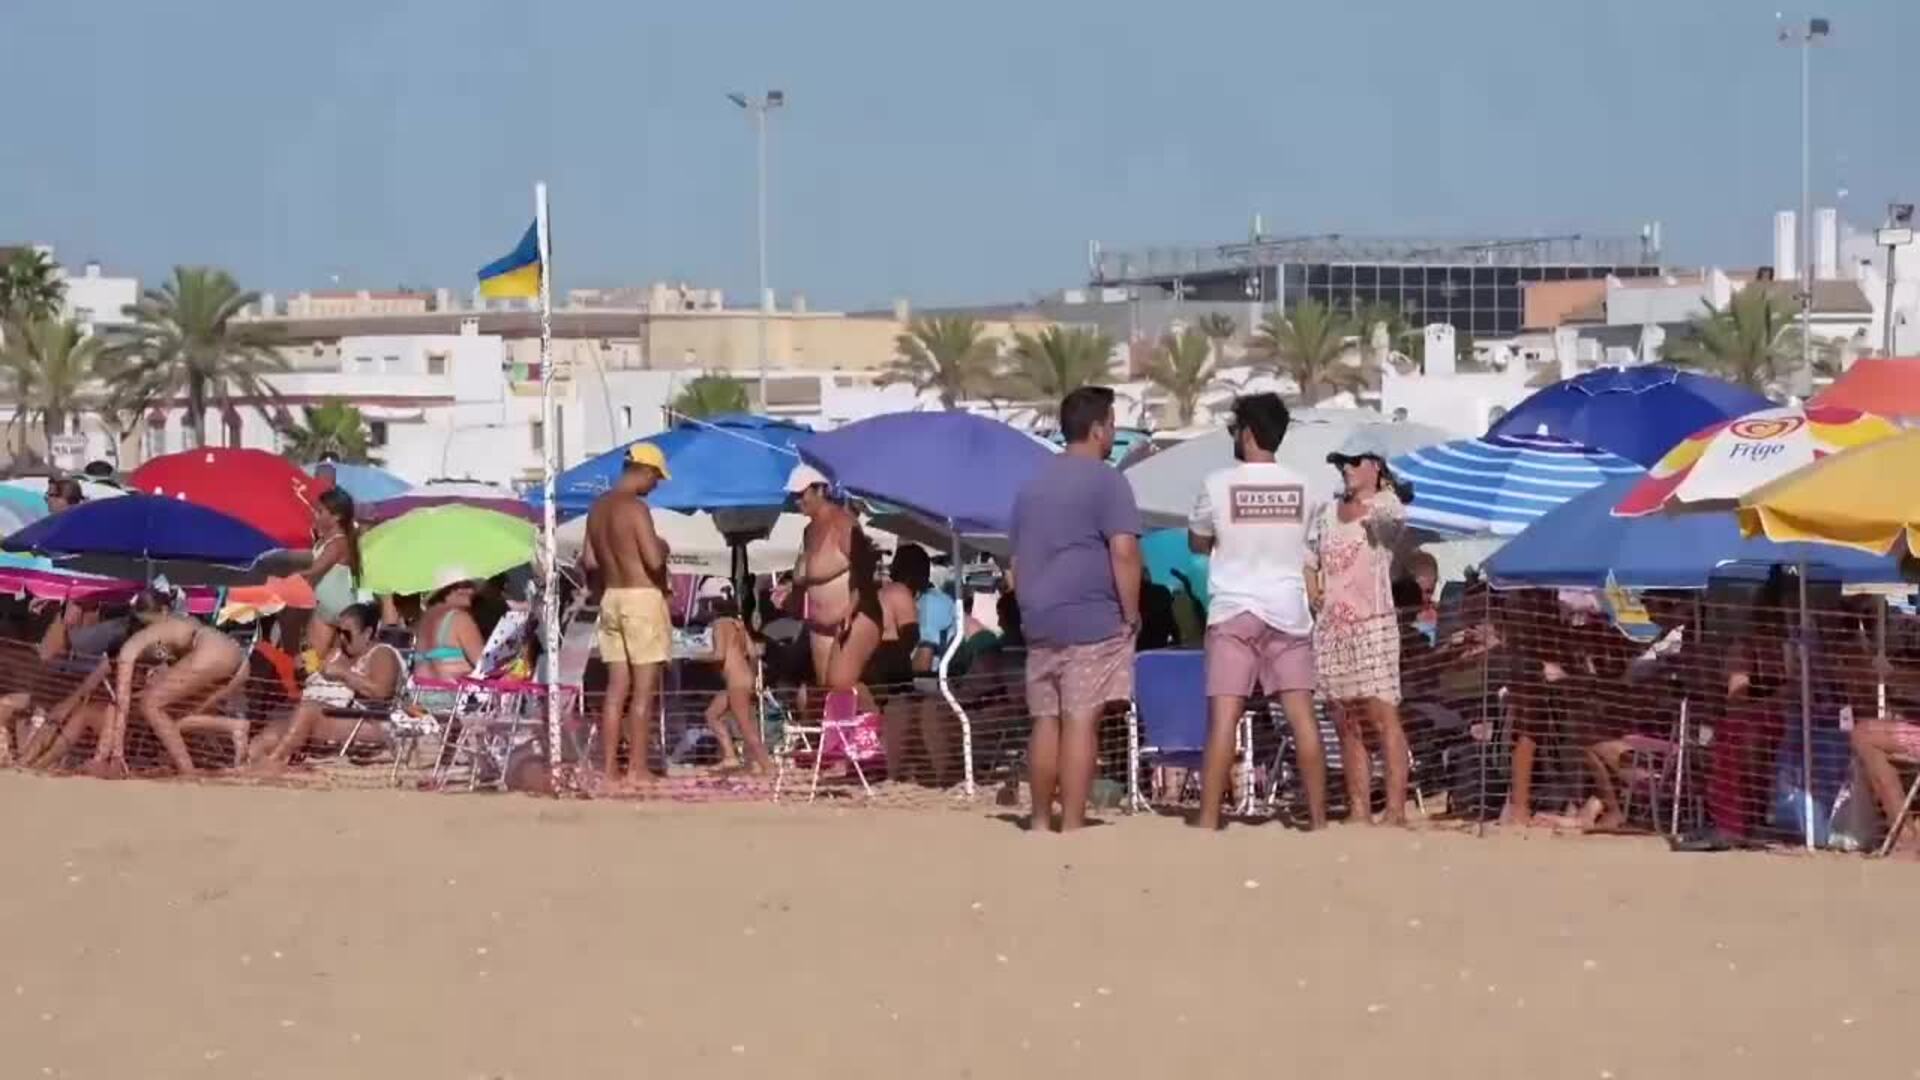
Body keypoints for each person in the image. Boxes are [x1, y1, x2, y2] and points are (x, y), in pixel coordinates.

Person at [1188, 393, 1329, 831]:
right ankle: (1320, 821)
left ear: (1247, 433)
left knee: (1224, 721)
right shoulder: (1308, 488)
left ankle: (1210, 820)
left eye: (1234, 430)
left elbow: (1197, 542)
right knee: (1303, 719)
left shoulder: (1216, 485)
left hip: (1234, 610)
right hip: (1288, 609)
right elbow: (1307, 547)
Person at [1009, 386, 1142, 833]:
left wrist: (1027, 606)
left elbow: (1016, 560)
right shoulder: (1108, 481)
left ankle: (1043, 819)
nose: (1114, 432)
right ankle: (1074, 821)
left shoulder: (1031, 485)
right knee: (1081, 719)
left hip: (1039, 617)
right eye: (1113, 423)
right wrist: (1132, 612)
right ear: (1098, 428)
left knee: (1045, 720)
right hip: (1091, 618)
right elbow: (1124, 552)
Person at [1306, 428, 1412, 825]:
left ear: (1374, 465)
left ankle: (1396, 809)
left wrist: (1381, 491)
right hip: (1332, 629)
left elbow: (1395, 517)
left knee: (1382, 716)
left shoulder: (1385, 507)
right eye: (1340, 462)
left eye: (1353, 461)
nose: (1345, 469)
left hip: (1373, 627)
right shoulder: (1326, 512)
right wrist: (1312, 585)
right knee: (1345, 721)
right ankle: (1358, 808)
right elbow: (1308, 557)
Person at [582, 442, 673, 788]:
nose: (656, 487)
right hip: (641, 598)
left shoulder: (597, 509)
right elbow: (653, 559)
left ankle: (609, 768)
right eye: (656, 479)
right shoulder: (635, 509)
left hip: (611, 598)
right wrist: (662, 546)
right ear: (645, 471)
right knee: (644, 691)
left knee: (615, 690)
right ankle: (637, 767)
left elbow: (590, 561)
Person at [94, 587, 248, 777]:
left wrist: (118, 751)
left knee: (150, 705)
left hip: (210, 653)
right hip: (234, 655)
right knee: (173, 714)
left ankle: (188, 770)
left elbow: (122, 701)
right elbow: (171, 660)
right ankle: (233, 727)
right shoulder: (180, 620)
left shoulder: (133, 644)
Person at [248, 604, 404, 772]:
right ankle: (246, 763)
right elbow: (315, 672)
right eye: (339, 631)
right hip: (322, 716)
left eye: (347, 633)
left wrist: (344, 674)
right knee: (271, 733)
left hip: (369, 724)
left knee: (307, 711)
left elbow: (382, 692)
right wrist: (301, 670)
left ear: (367, 633)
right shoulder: (337, 653)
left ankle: (274, 762)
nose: (341, 638)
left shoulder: (382, 654)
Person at [790, 464, 884, 697]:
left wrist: (851, 609)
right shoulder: (809, 531)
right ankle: (845, 733)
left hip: (855, 617)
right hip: (821, 625)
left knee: (839, 686)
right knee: (825, 694)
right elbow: (807, 577)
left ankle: (878, 728)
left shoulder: (844, 523)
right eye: (794, 496)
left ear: (821, 490)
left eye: (801, 494)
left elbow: (864, 569)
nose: (797, 501)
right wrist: (793, 595)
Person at [696, 599, 774, 775]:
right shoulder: (739, 625)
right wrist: (753, 678)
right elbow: (753, 653)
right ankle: (730, 756)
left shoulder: (719, 624)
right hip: (744, 676)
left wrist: (695, 656)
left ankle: (768, 767)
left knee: (744, 725)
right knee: (712, 714)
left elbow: (719, 655)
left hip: (735, 680)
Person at [301, 487, 364, 665]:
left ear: (336, 517)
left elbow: (315, 569)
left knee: (314, 658)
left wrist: (285, 575)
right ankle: (317, 685)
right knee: (319, 658)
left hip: (335, 609)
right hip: (336, 607)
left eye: (320, 511)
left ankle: (315, 685)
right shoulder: (329, 540)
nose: (315, 515)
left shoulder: (338, 542)